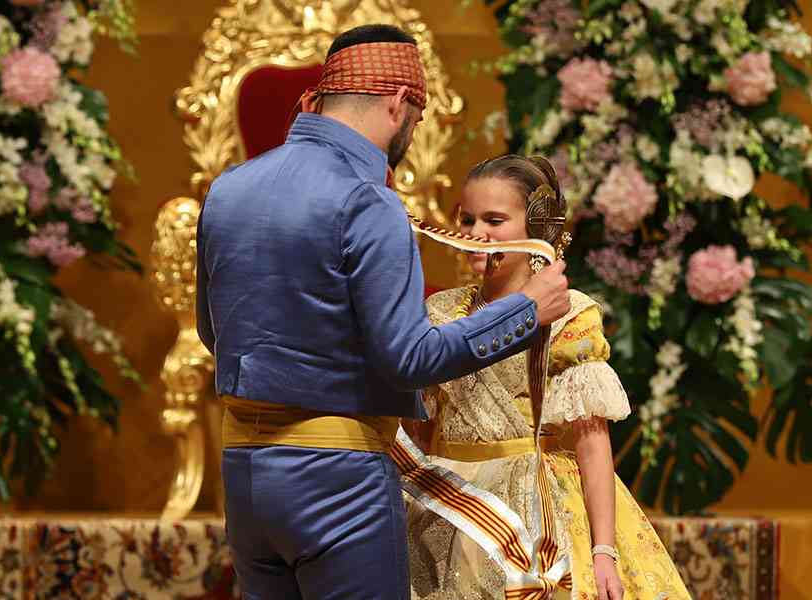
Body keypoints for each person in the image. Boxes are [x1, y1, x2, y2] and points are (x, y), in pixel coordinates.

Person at [194, 24, 571, 600]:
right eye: (416, 122)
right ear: (398, 103)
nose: (411, 136)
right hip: (338, 480)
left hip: (244, 475)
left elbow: (211, 331)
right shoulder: (367, 200)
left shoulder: (228, 190)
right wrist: (527, 309)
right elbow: (409, 358)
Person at [403, 155, 691, 600]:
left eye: (495, 220)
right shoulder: (440, 311)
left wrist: (603, 552)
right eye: (468, 219)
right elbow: (422, 429)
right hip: (449, 504)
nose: (476, 233)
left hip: (535, 509)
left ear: (537, 227)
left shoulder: (568, 315)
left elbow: (592, 442)